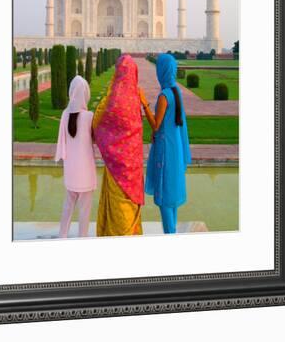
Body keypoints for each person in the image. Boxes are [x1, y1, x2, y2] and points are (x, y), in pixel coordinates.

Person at [140, 53, 192, 234]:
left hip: (166, 150)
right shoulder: (176, 91)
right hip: (175, 147)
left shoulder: (164, 96)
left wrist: (144, 104)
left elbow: (156, 125)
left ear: (162, 71)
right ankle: (173, 232)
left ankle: (170, 237)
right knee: (172, 199)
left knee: (164, 199)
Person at [93, 54, 144, 236]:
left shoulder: (111, 101)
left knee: (116, 206)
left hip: (115, 166)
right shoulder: (135, 99)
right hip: (133, 168)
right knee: (129, 206)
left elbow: (97, 124)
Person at [55, 75, 96, 238]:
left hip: (71, 170)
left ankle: (62, 236)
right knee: (84, 211)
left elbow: (62, 142)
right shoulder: (89, 116)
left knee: (68, 206)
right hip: (85, 172)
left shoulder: (65, 115)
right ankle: (82, 239)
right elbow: (95, 139)